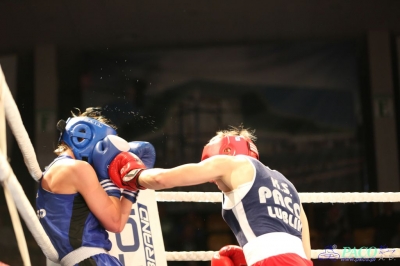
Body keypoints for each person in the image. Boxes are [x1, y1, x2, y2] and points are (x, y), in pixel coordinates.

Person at [107, 125, 313, 266]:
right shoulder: (288, 186)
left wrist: (133, 174)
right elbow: (306, 255)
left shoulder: (228, 163)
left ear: (226, 150)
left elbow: (162, 179)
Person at [35, 107, 148, 266]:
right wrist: (105, 177)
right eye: (103, 146)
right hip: (92, 260)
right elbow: (115, 222)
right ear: (83, 136)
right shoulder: (78, 169)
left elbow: (119, 223)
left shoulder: (50, 172)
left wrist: (132, 185)